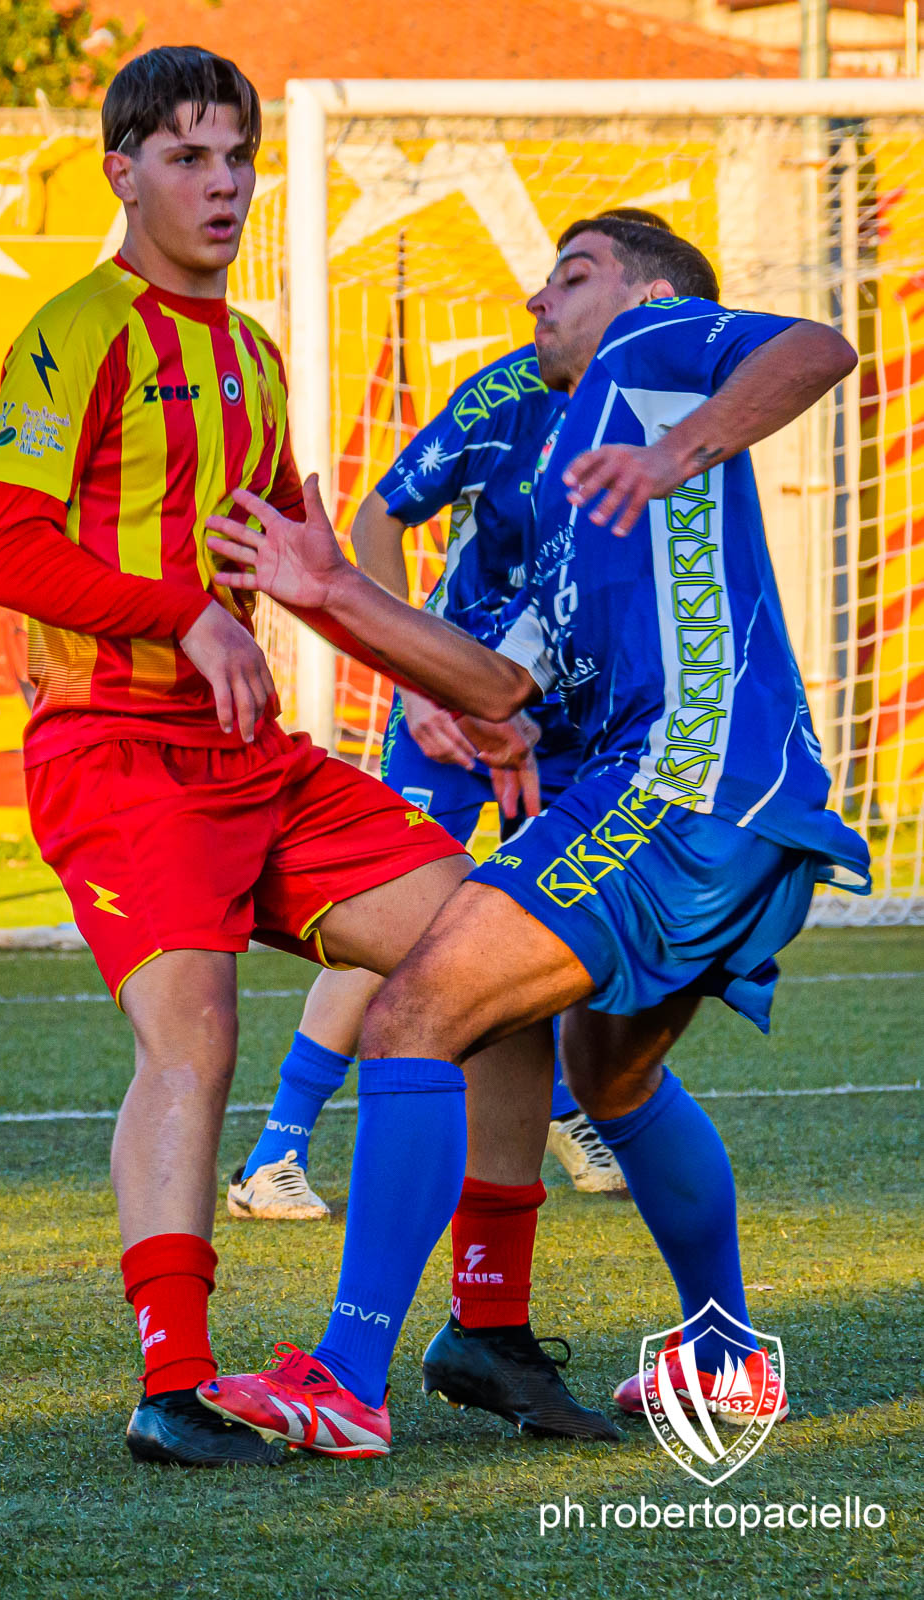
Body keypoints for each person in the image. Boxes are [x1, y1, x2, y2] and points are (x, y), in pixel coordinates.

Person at [0, 45, 557, 1469]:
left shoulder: (251, 353)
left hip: (256, 761)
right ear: (122, 172)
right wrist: (181, 614)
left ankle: (485, 1326)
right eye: (188, 157)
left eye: (237, 156)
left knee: (503, 962)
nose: (222, 183)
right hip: (118, 751)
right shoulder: (71, 332)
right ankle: (172, 1385)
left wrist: (447, 700)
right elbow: (3, 549)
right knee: (197, 1033)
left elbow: (306, 569)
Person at [195, 216, 869, 1457]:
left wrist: (674, 450)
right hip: (717, 801)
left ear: (645, 295)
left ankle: (346, 1376)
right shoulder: (562, 489)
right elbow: (496, 682)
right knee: (611, 1079)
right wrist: (332, 592)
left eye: (572, 274)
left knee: (415, 1011)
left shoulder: (651, 348)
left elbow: (816, 348)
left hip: (678, 784)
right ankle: (723, 1354)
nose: (536, 299)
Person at [227, 307, 651, 1221]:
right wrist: (414, 679)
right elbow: (379, 514)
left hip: (575, 712)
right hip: (450, 704)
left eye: (573, 278)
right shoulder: (508, 390)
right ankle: (275, 1153)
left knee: (556, 925)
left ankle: (561, 1108)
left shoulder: (668, 412)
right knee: (403, 918)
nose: (545, 301)